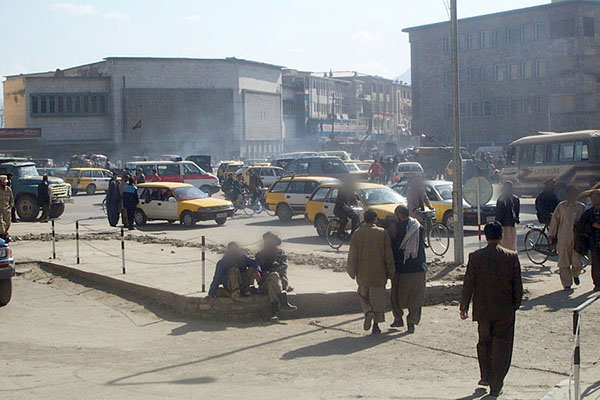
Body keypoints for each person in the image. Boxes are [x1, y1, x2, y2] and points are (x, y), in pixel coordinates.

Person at [460, 222, 523, 397]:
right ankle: (496, 384)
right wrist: (515, 305)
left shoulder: (475, 257)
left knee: (484, 343)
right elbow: (518, 286)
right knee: (502, 347)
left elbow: (469, 283)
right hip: (505, 311)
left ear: (485, 236)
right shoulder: (511, 257)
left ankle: (485, 376)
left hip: (483, 311)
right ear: (501, 236)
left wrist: (463, 306)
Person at [347, 210, 394, 335]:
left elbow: (352, 255)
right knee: (378, 300)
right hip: (379, 273)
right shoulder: (382, 233)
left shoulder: (357, 234)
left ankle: (367, 312)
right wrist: (391, 272)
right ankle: (376, 326)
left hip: (363, 274)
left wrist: (351, 271)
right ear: (375, 219)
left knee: (363, 296)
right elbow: (388, 255)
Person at [386, 205, 427, 334]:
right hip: (419, 267)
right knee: (415, 297)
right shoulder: (418, 226)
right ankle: (411, 323)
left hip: (401, 268)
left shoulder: (395, 228)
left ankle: (398, 319)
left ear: (398, 215)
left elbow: (389, 243)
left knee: (396, 296)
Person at [548, 186, 585, 289]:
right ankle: (567, 284)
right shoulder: (561, 206)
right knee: (563, 261)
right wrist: (551, 234)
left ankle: (575, 274)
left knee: (577, 262)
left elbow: (585, 222)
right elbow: (555, 221)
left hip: (576, 238)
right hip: (563, 237)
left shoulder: (581, 207)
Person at [255, 232, 296, 320]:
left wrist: (271, 271)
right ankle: (283, 302)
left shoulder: (281, 254)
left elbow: (283, 267)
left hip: (280, 282)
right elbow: (258, 269)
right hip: (265, 283)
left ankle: (274, 313)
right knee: (271, 279)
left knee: (273, 279)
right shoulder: (260, 255)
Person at [577, 190, 600, 292]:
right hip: (595, 242)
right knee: (596, 264)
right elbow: (580, 225)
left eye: (596, 197)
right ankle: (597, 284)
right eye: (592, 198)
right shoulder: (589, 213)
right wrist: (591, 226)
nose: (594, 200)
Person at [495, 181, 520, 251]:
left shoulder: (501, 199)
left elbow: (498, 213)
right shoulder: (516, 199)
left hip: (503, 226)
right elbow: (517, 212)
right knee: (512, 245)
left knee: (503, 245)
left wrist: (497, 223)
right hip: (512, 225)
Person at [0, 176, 14, 241]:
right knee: (1, 223)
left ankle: (5, 234)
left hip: (6, 210)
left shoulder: (8, 190)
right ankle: (2, 234)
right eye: (3, 182)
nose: (4, 184)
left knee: (8, 223)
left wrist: (10, 207)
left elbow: (11, 200)